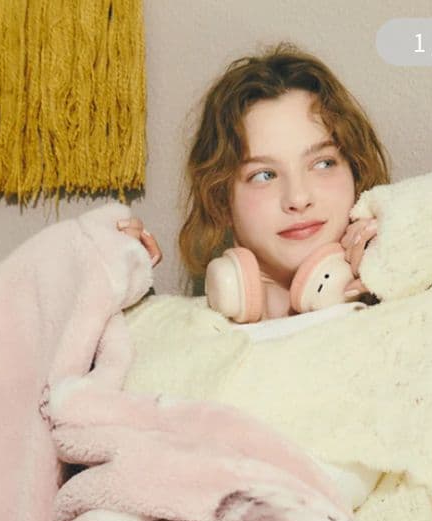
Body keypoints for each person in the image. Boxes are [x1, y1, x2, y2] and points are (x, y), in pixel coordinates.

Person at [118, 44, 390, 320]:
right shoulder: (177, 334)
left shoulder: (405, 311)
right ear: (221, 202)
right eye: (264, 175)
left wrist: (406, 262)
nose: (297, 199)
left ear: (356, 173)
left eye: (323, 163)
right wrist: (111, 292)